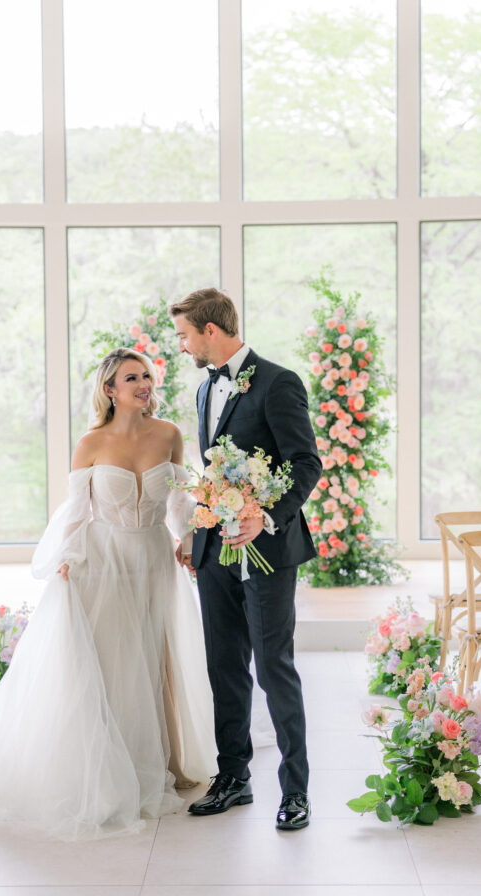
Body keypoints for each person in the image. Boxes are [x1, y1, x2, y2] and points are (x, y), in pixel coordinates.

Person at [0, 348, 216, 840]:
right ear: (110, 390)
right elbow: (76, 510)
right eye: (130, 378)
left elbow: (179, 500)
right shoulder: (90, 443)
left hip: (155, 559)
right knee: (114, 661)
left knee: (155, 657)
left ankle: (166, 758)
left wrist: (185, 537)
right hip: (104, 560)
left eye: (145, 376)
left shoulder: (169, 435)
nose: (142, 384)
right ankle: (113, 769)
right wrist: (67, 557)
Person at [171, 288, 321, 831]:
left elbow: (306, 463)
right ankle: (233, 778)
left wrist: (267, 515)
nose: (183, 345)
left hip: (269, 552)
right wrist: (195, 534)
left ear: (211, 331)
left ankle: (296, 791)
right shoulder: (205, 385)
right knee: (224, 668)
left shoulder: (279, 382)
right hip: (213, 553)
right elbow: (213, 472)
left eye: (186, 335)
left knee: (274, 669)